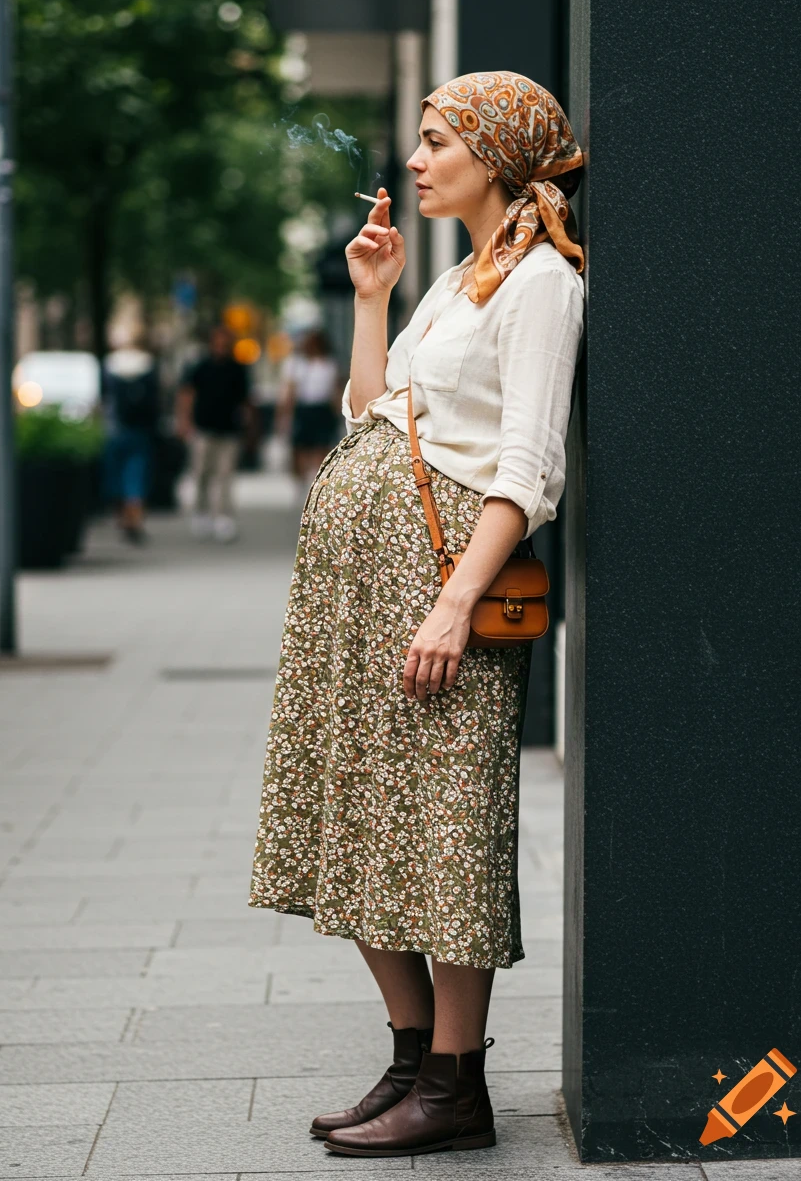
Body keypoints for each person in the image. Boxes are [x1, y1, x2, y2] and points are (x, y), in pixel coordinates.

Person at [248, 72, 585, 1157]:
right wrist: (372, 297)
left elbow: (528, 468)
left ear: (492, 153)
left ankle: (455, 1086)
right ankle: (408, 1060)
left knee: (444, 828)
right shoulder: (453, 280)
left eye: (437, 141)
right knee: (353, 813)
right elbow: (368, 412)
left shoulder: (540, 283)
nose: (416, 160)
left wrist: (451, 605)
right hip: (361, 590)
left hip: (437, 587)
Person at [176, 325, 251, 542]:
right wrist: (184, 421)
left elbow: (246, 401)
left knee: (224, 475)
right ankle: (201, 512)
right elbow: (186, 394)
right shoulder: (200, 367)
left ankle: (223, 517)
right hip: (203, 428)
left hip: (229, 430)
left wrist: (248, 426)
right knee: (201, 472)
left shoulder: (237, 369)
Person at [102, 335, 160, 544]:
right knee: (136, 476)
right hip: (140, 431)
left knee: (116, 476)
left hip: (114, 430)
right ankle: (135, 519)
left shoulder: (109, 365)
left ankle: (123, 518)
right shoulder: (148, 366)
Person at [274, 329, 343, 495]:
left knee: (322, 444)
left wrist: (338, 412)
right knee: (299, 446)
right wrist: (284, 415)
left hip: (322, 409)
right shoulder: (296, 364)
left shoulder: (329, 364)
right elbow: (290, 391)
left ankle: (318, 478)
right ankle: (300, 480)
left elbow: (334, 390)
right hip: (303, 408)